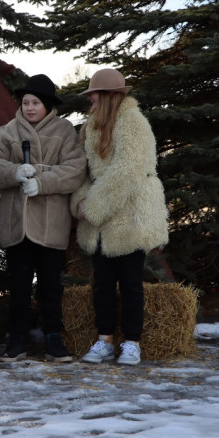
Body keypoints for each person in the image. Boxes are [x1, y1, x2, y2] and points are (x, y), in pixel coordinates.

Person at [0, 74, 86, 362]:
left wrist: (44, 181)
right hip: (18, 221)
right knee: (19, 286)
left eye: (35, 102)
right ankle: (16, 339)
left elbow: (76, 169)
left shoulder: (64, 132)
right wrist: (14, 172)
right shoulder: (7, 131)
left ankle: (53, 338)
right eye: (25, 102)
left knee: (51, 285)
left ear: (48, 104)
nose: (30, 107)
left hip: (51, 222)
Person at [70, 68, 168, 366]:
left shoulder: (134, 123)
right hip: (101, 220)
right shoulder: (89, 128)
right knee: (101, 283)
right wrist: (81, 203)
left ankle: (132, 343)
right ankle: (104, 342)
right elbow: (85, 171)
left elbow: (128, 171)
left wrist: (95, 206)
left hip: (130, 214)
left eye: (95, 95)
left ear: (111, 96)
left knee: (130, 283)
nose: (91, 100)